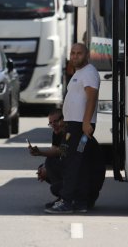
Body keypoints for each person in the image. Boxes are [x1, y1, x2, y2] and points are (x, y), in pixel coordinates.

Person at [45, 43, 101, 214]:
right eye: (73, 53)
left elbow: (91, 98)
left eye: (79, 53)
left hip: (80, 126)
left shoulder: (89, 72)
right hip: (73, 125)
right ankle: (80, 202)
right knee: (80, 164)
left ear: (87, 56)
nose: (75, 56)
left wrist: (86, 123)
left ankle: (67, 201)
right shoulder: (79, 73)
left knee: (72, 164)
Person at [28, 109, 67, 208]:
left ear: (64, 120)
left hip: (82, 177)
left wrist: (40, 152)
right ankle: (63, 196)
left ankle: (66, 198)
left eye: (56, 121)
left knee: (50, 163)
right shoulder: (56, 133)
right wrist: (44, 168)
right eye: (51, 123)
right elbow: (54, 150)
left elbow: (62, 151)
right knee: (44, 167)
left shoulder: (69, 133)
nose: (53, 125)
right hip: (70, 168)